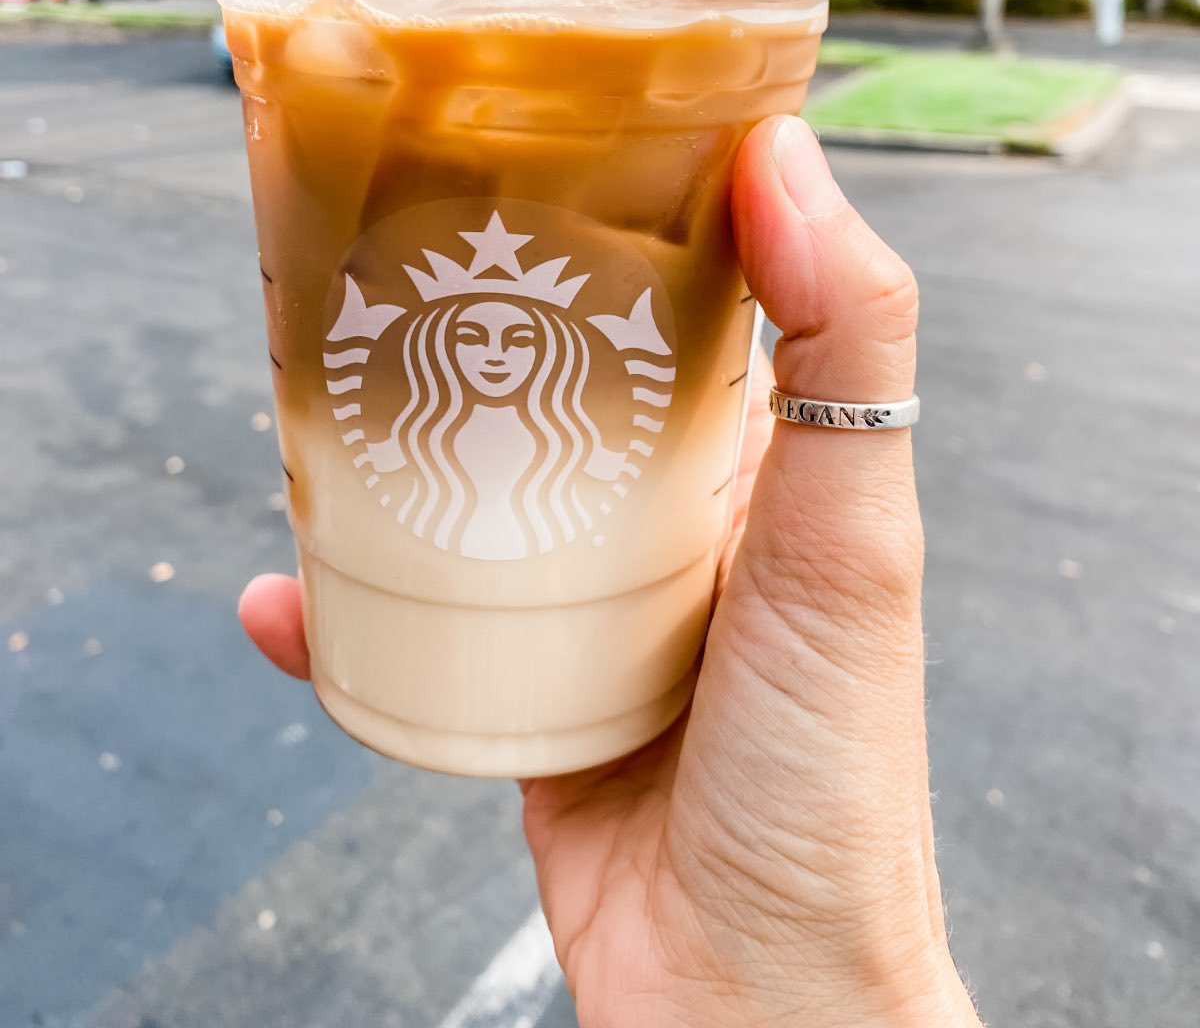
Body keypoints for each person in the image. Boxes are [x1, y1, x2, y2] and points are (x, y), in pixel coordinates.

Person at [239, 115, 984, 1028]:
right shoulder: (429, 429)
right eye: (473, 340)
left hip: (647, 706)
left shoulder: (565, 438)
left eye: (521, 342)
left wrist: (814, 989)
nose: (497, 357)